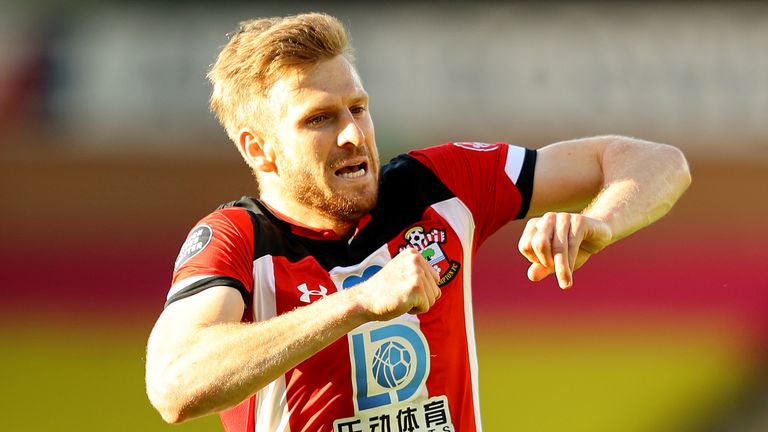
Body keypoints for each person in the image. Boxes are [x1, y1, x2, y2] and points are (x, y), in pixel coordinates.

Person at [145, 12, 691, 432]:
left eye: (357, 108)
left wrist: (598, 223)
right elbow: (174, 385)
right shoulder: (238, 240)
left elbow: (656, 161)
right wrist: (356, 303)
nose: (353, 135)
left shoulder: (439, 185)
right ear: (259, 150)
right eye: (319, 119)